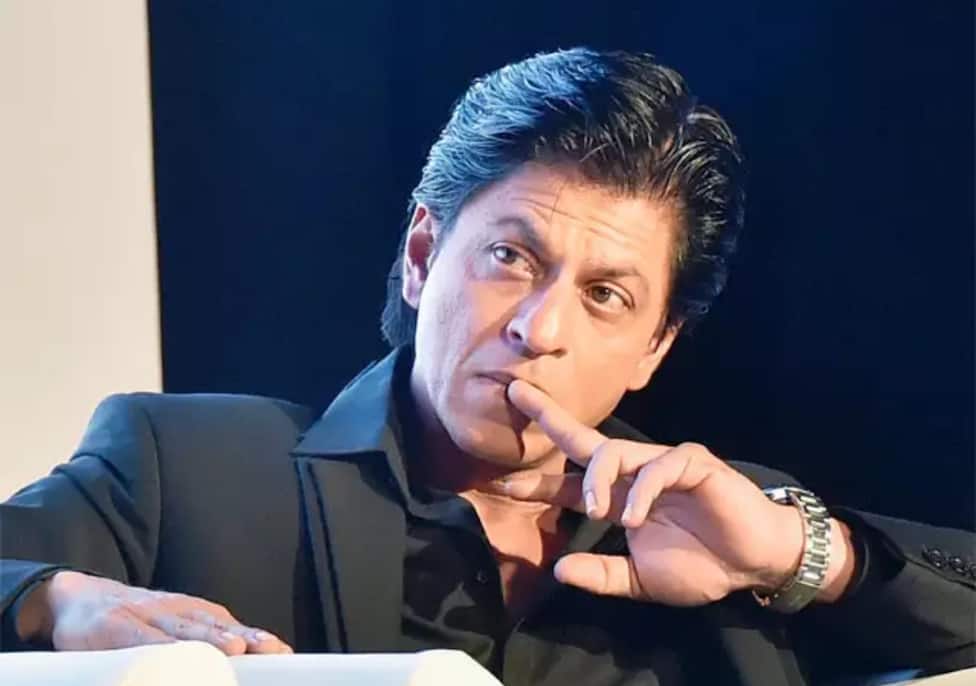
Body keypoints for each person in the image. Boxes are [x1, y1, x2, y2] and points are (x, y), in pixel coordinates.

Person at [1, 48, 973, 686]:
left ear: (655, 345)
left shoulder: (728, 532)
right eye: (511, 257)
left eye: (606, 294)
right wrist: (55, 600)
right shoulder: (187, 467)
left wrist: (804, 554)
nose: (540, 329)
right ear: (423, 256)